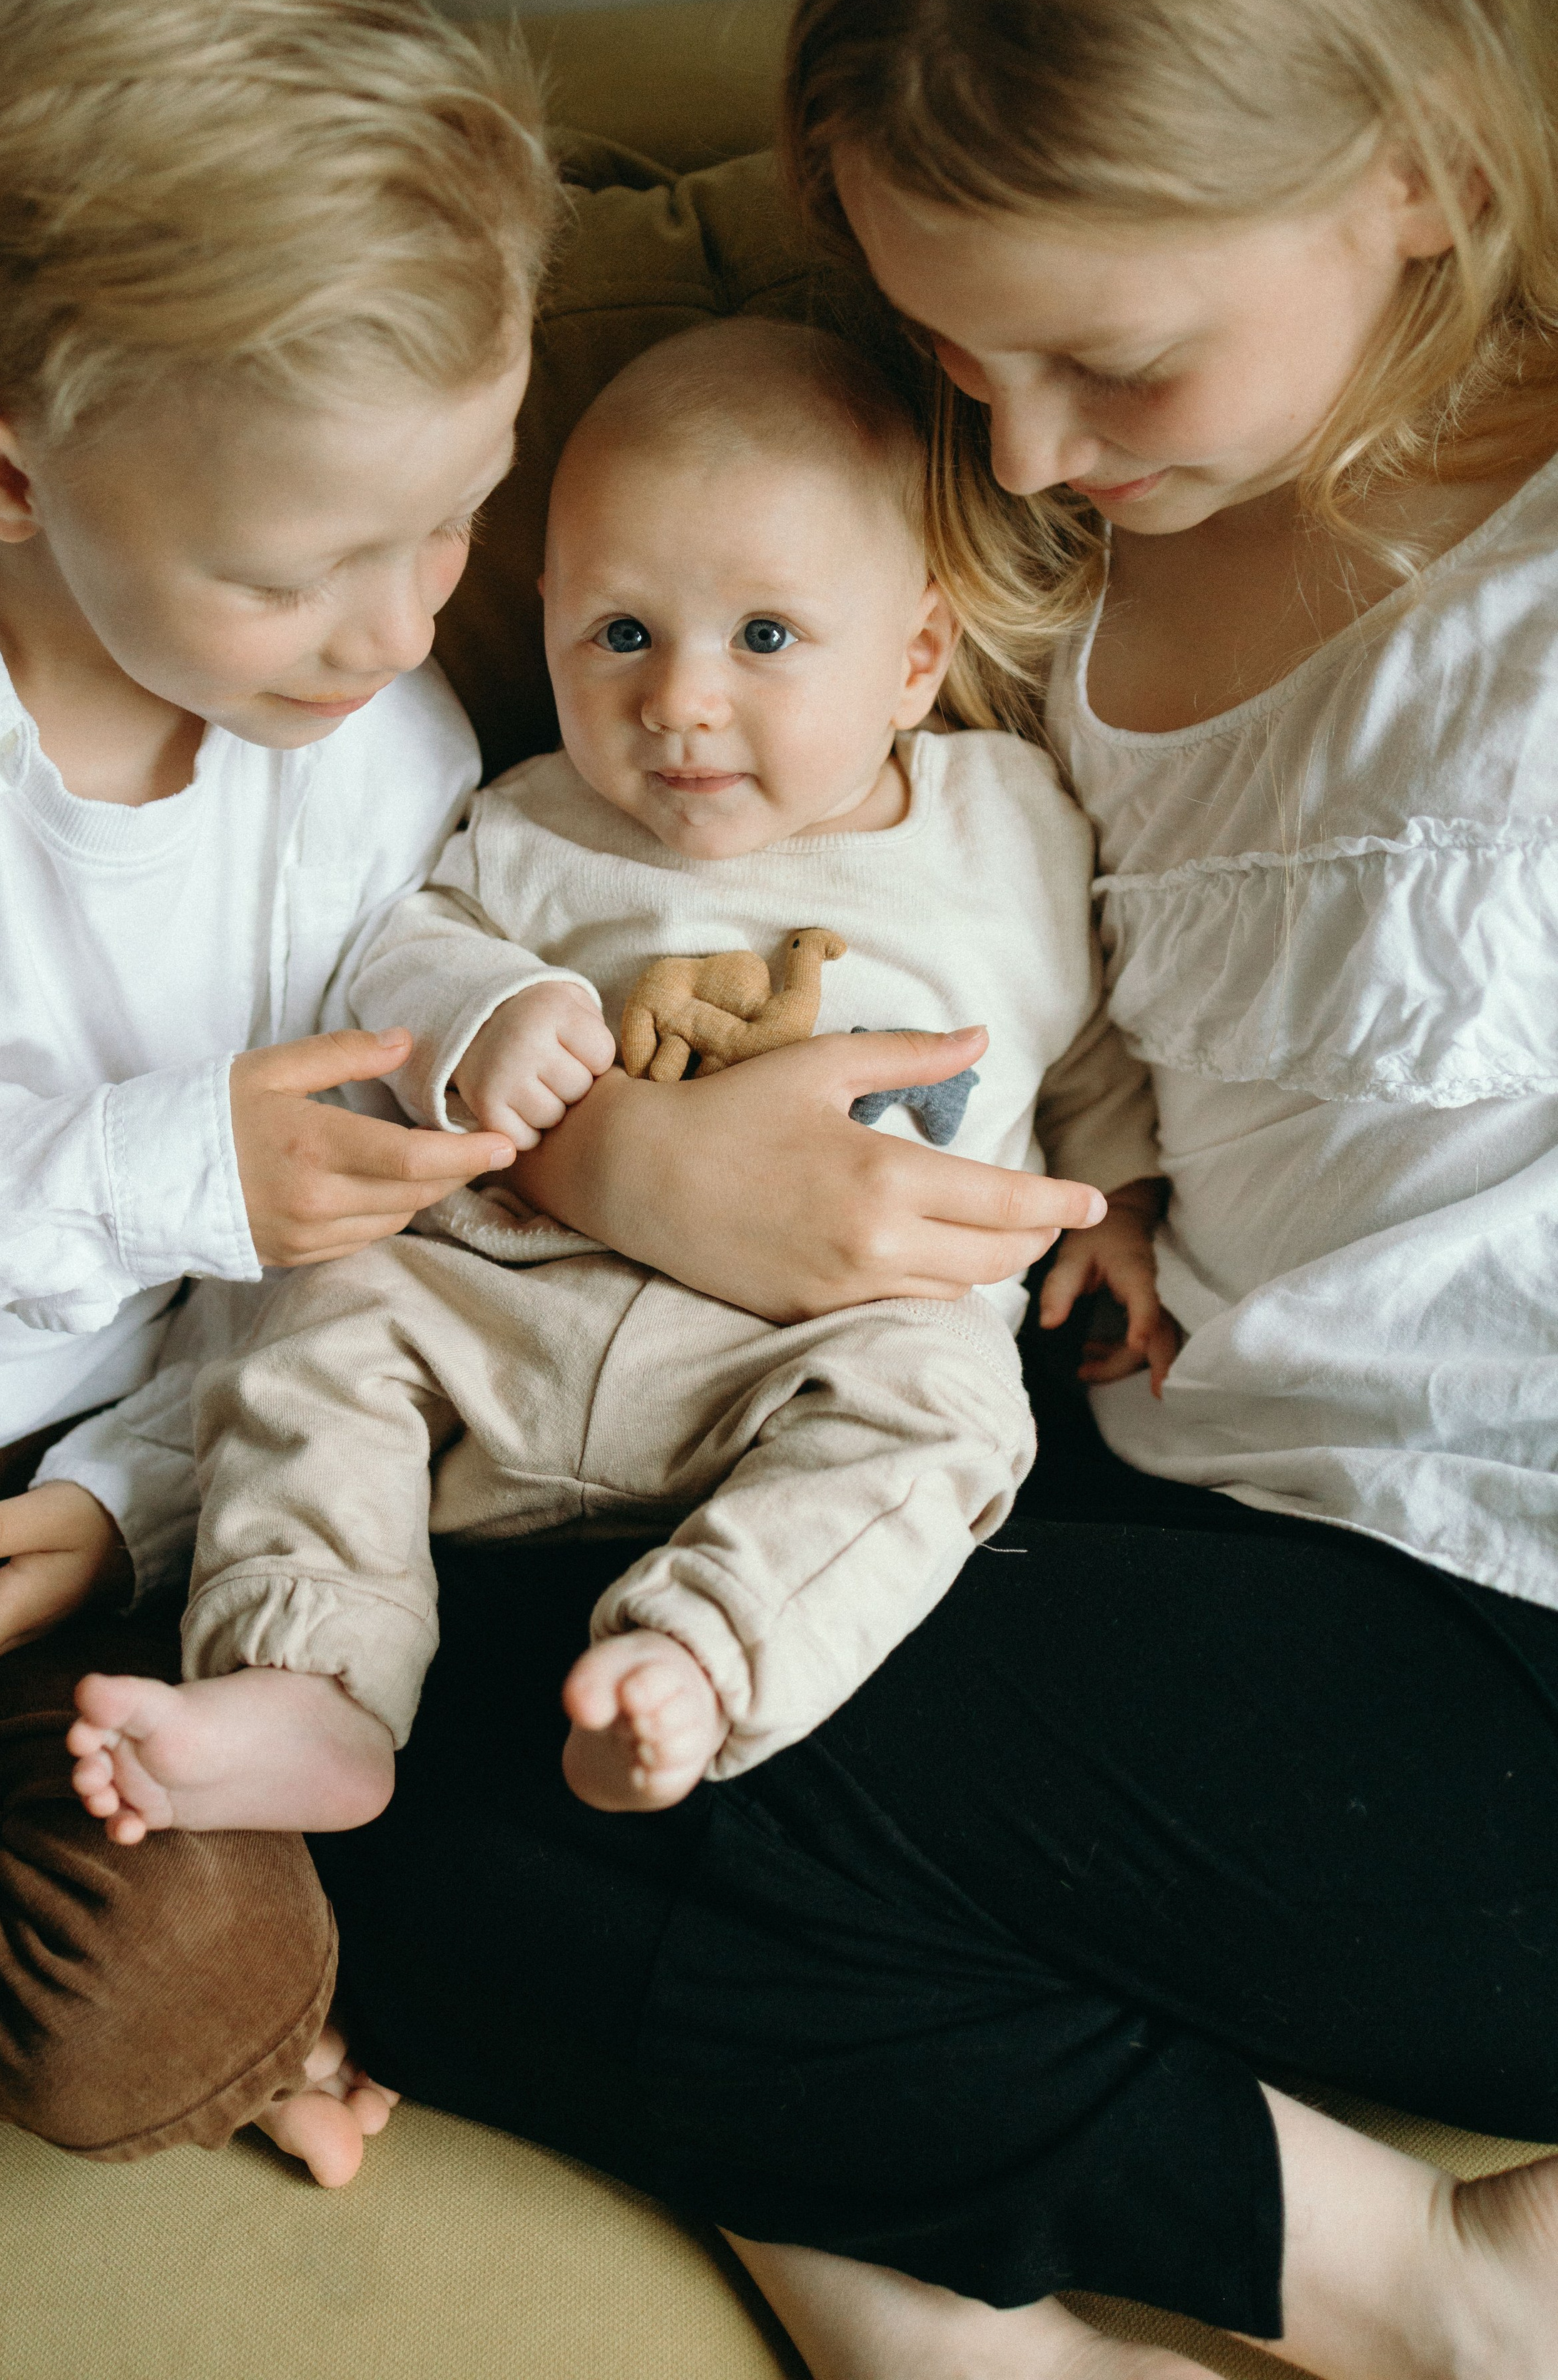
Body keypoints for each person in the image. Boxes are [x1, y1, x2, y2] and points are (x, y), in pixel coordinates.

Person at [293, 0, 1558, 2374]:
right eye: (963, 356)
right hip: (1183, 1513)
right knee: (348, 1697)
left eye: (1112, 357)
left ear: (1432, 176)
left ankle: (1418, 2290)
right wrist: (612, 1164)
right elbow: (793, 918)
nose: (1038, 438)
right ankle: (910, 2222)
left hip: (1506, 1643)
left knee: (532, 1765)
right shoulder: (1022, 560)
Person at [0, 0, 559, 2175]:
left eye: (453, 529)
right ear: (1, 472)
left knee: (183, 1986)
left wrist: (118, 1504)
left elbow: (314, 1296)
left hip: (55, 1528)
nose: (397, 632)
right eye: (298, 572)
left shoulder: (376, 758)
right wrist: (168, 1156)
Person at [61, 315, 1168, 1842]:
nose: (680, 703)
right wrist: (488, 1013)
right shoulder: (525, 822)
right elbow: (402, 951)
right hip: (501, 1306)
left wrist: (1123, 1200)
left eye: (764, 638)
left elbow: (1090, 1034)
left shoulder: (1009, 830)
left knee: (955, 1413)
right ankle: (313, 1680)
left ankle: (702, 1661)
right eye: (621, 633)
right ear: (547, 625)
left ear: (916, 655)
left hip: (801, 1350)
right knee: (306, 1307)